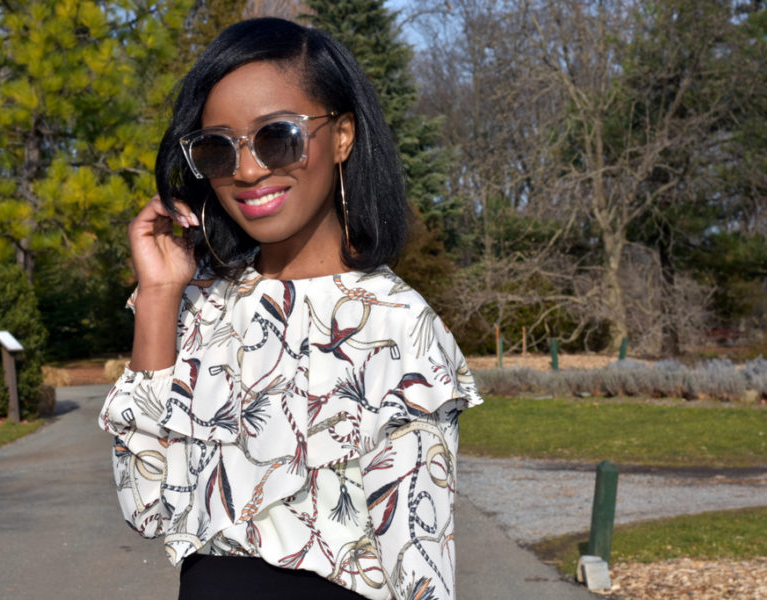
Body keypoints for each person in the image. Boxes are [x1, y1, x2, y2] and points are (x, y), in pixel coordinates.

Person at [98, 17, 482, 600]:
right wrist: (157, 296)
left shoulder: (396, 325)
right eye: (218, 148)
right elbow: (146, 507)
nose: (248, 170)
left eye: (278, 136)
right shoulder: (198, 306)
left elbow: (421, 570)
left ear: (343, 136)